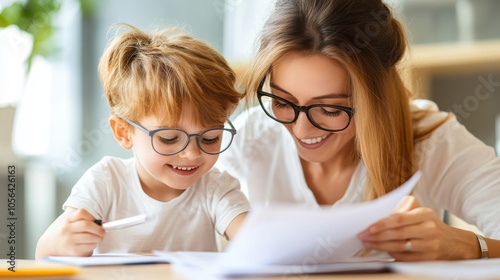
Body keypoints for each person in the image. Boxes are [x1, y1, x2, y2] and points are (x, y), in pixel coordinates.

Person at [218, 0, 500, 261]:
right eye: (282, 102)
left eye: (330, 109)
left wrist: (468, 245)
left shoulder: (431, 140)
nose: (300, 129)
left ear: (377, 100)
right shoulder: (250, 139)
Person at [35, 23, 250, 258]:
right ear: (124, 132)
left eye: (210, 138)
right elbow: (42, 252)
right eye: (169, 139)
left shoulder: (215, 187)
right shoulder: (106, 182)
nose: (192, 154)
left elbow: (254, 238)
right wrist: (64, 241)